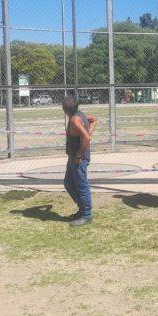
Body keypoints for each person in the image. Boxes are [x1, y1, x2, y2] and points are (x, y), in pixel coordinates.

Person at [62, 96, 97, 226]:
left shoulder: (75, 120)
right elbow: (94, 119)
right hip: (72, 158)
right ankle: (82, 209)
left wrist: (79, 155)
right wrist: (89, 131)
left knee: (81, 187)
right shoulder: (79, 115)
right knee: (68, 183)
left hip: (78, 159)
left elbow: (86, 138)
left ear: (65, 109)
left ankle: (87, 216)